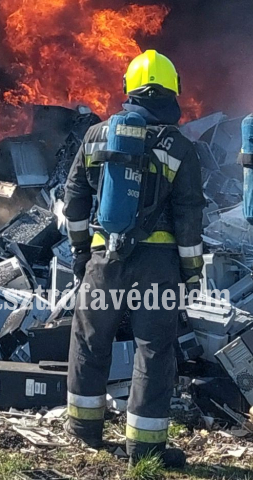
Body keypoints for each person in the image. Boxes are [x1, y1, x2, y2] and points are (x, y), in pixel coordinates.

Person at [63, 49, 205, 468]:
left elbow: (73, 201)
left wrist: (79, 252)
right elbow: (189, 217)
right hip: (158, 266)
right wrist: (192, 273)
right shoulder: (179, 146)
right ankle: (143, 448)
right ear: (172, 92)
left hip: (103, 259)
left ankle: (83, 428)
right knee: (153, 349)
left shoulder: (96, 136)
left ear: (128, 89)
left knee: (90, 339)